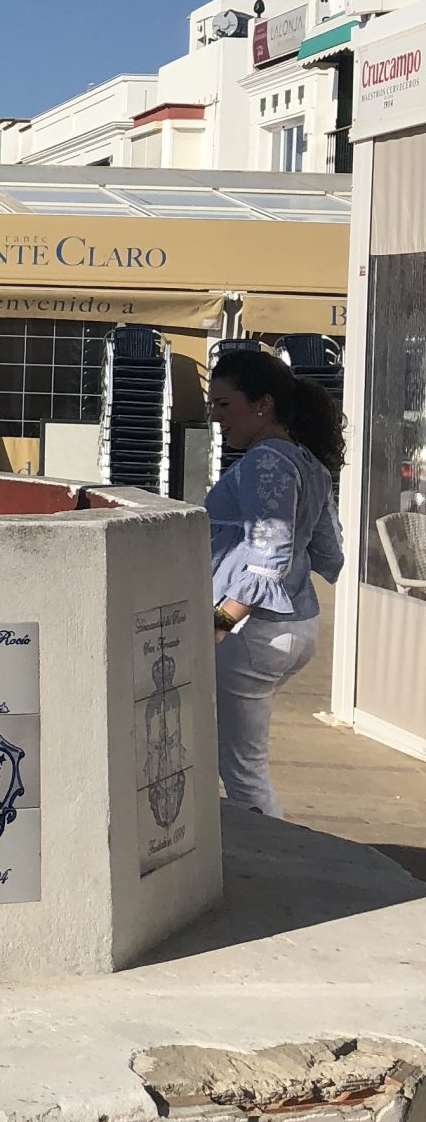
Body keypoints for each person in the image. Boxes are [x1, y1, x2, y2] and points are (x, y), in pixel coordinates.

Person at [205, 347, 345, 818]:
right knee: (240, 761)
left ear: (262, 404)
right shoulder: (309, 462)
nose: (215, 417)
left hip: (253, 633)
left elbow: (269, 559)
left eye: (224, 404)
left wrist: (218, 624)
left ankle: (273, 855)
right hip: (298, 627)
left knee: (244, 773)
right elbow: (329, 551)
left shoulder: (266, 461)